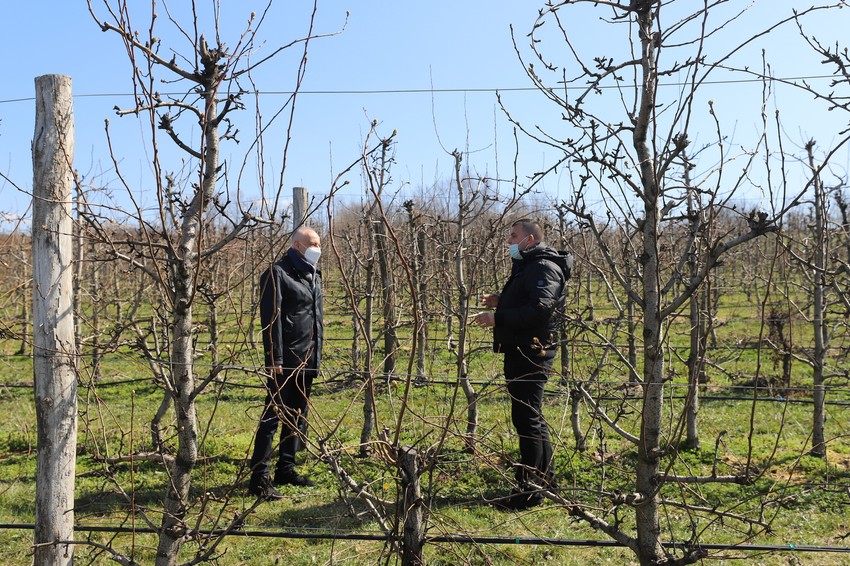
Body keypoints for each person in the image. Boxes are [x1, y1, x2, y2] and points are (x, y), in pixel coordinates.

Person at [472, 219, 571, 510]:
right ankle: (543, 480)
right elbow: (528, 299)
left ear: (529, 239)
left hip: (532, 351)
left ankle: (529, 491)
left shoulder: (543, 267)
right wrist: (500, 301)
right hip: (522, 348)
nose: (508, 242)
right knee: (530, 418)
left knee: (527, 420)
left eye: (513, 237)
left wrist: (497, 318)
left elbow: (541, 308)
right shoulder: (530, 265)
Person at [248, 226, 323, 500]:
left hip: (307, 357)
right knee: (273, 416)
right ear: (297, 246)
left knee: (296, 416)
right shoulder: (277, 273)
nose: (317, 247)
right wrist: (274, 358)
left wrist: (316, 355)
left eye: (318, 243)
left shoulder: (314, 275)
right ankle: (259, 478)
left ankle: (286, 469)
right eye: (312, 243)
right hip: (285, 360)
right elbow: (271, 320)